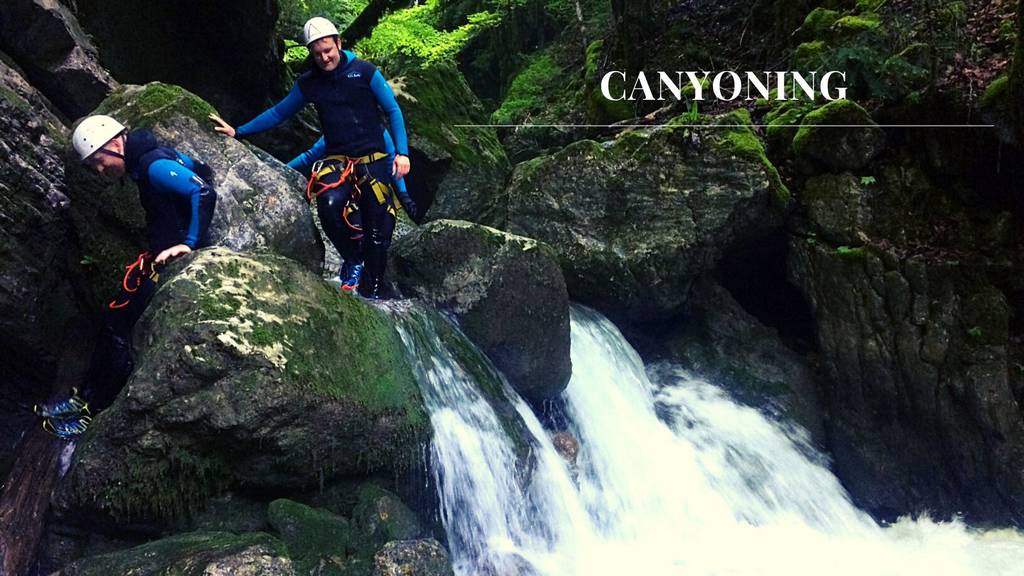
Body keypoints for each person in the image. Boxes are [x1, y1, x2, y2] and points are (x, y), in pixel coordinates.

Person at [34, 114, 217, 439]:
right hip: (163, 258)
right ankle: (82, 399)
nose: (100, 171)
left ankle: (94, 410)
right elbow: (199, 168)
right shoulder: (146, 161)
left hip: (176, 263)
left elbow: (202, 192)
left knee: (122, 332)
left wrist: (188, 245)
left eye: (99, 162)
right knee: (113, 318)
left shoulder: (151, 165)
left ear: (115, 144)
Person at [209, 16, 417, 299]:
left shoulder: (365, 72)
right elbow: (279, 113)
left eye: (328, 50)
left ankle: (375, 291)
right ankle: (353, 259)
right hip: (339, 160)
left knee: (377, 230)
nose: (324, 58)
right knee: (329, 207)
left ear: (339, 43)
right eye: (317, 53)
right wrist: (239, 131)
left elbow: (393, 110)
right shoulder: (309, 84)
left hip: (374, 158)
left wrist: (402, 154)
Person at [288, 128, 417, 292]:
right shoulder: (337, 125)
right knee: (352, 227)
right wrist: (281, 169)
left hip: (373, 191)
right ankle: (353, 262)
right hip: (348, 194)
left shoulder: (379, 132)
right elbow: (310, 156)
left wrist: (404, 195)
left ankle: (369, 277)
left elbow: (392, 162)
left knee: (381, 232)